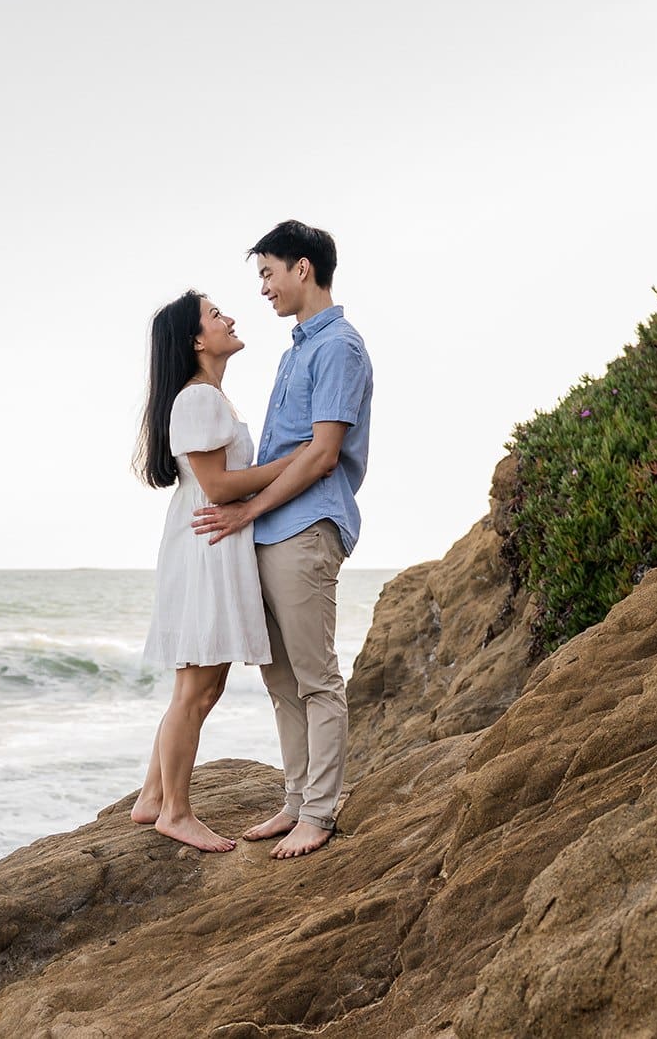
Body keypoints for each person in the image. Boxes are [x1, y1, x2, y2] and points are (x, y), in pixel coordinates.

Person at [193, 220, 373, 860]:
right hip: (271, 530)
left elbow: (322, 455)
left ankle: (320, 812)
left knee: (317, 679)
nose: (264, 288)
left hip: (305, 526)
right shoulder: (296, 350)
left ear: (303, 268)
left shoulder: (339, 347)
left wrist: (247, 510)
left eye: (268, 273)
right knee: (281, 680)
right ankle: (297, 801)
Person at [129, 290, 313, 852]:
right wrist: (294, 462)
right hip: (207, 545)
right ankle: (175, 812)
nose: (229, 318)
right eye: (215, 315)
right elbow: (218, 486)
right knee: (198, 685)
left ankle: (153, 796)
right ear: (196, 340)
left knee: (200, 684)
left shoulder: (207, 396)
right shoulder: (199, 398)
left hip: (209, 542)